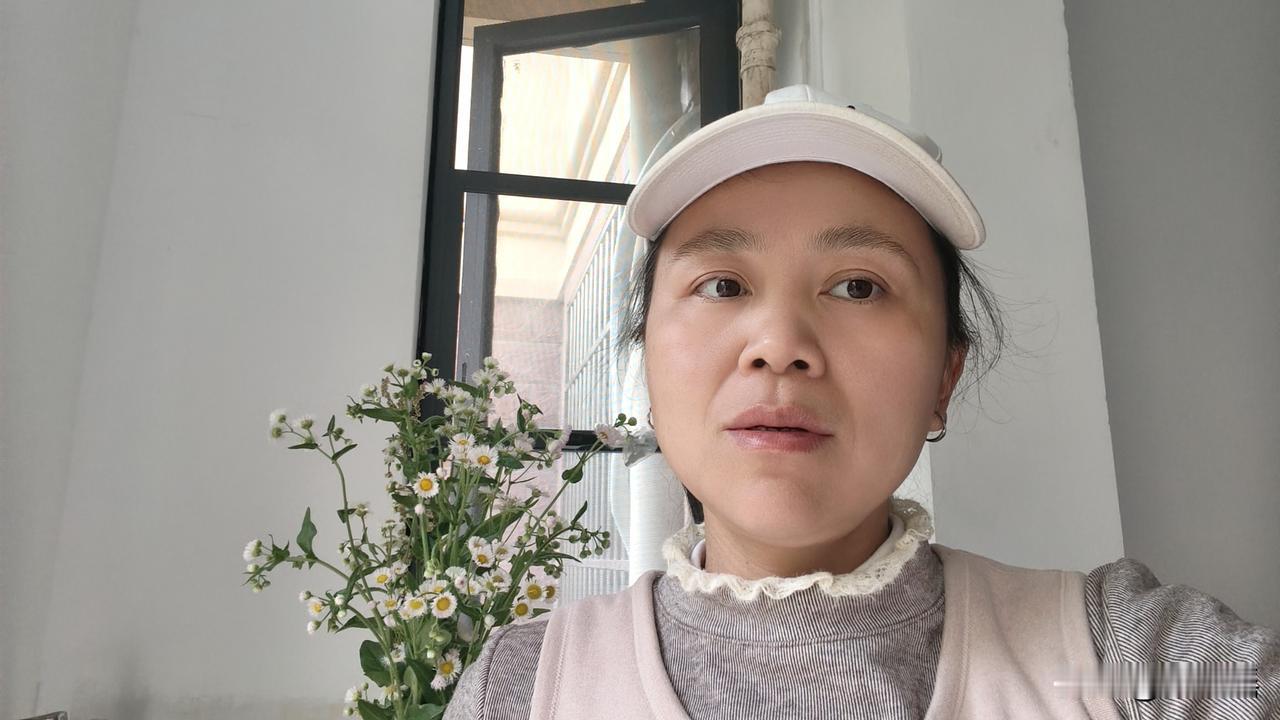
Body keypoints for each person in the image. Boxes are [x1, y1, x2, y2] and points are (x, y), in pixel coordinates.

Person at [443, 84, 1278, 719]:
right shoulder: (521, 689)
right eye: (722, 284)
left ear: (944, 378)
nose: (779, 343)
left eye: (858, 286)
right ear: (648, 372)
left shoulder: (1121, 657)